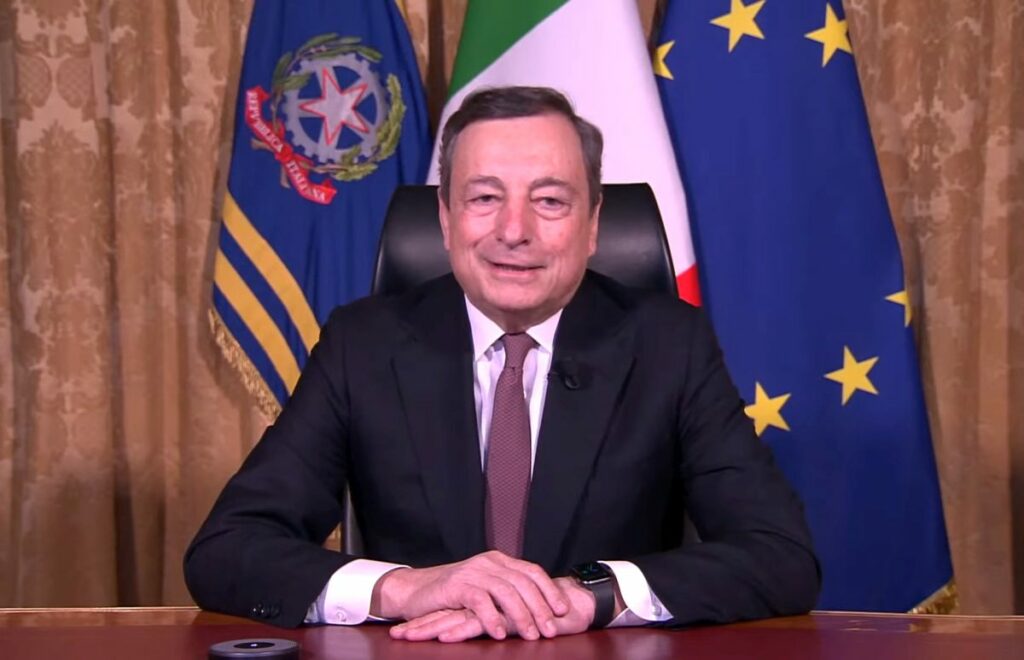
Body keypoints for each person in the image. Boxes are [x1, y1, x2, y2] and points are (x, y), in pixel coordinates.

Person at [184, 86, 820, 643]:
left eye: (550, 201)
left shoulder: (668, 345)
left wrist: (588, 595)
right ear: (445, 217)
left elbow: (780, 555)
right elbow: (227, 549)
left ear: (593, 224)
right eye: (485, 197)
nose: (514, 230)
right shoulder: (363, 344)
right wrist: (406, 588)